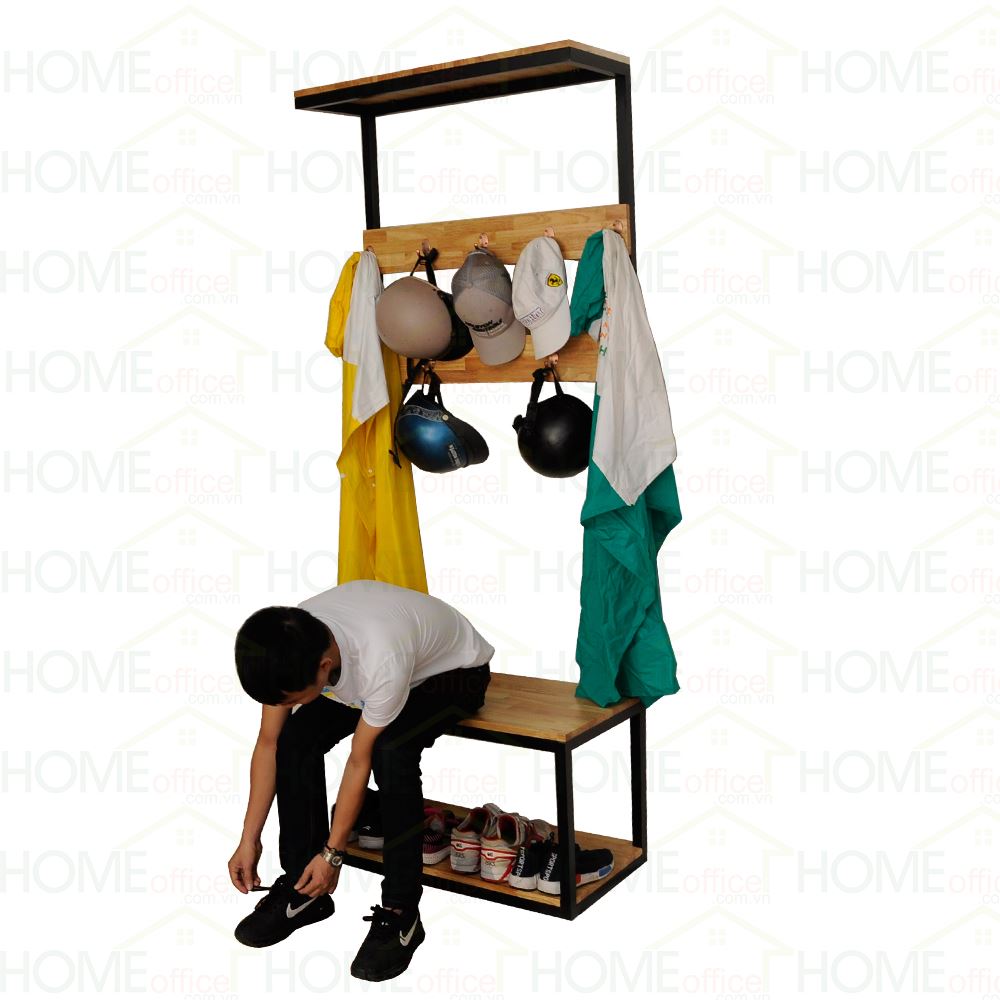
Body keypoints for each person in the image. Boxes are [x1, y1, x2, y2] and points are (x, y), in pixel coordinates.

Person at [228, 579, 493, 982]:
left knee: (391, 751)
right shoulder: (287, 649)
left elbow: (358, 761)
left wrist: (334, 854)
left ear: (323, 667)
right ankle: (303, 889)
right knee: (294, 738)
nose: (288, 705)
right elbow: (269, 744)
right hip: (385, 665)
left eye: (293, 698)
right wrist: (249, 839)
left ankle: (401, 912)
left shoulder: (379, 660)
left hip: (454, 672)